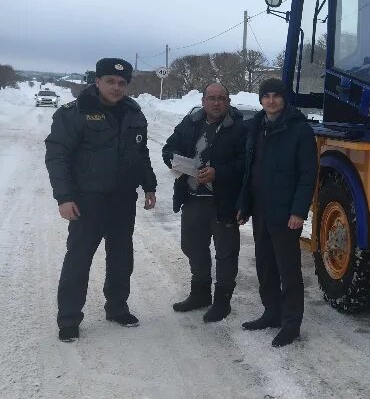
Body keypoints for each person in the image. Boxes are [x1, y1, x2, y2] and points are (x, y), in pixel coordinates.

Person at [45, 57, 157, 342]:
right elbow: (57, 156)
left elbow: (140, 153)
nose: (116, 87)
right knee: (79, 259)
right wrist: (64, 197)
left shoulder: (133, 113)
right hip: (87, 200)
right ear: (97, 81)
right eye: (110, 81)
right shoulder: (74, 113)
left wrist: (149, 185)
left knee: (121, 256)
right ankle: (69, 318)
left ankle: (117, 307)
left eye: (122, 83)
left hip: (122, 199)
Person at [237, 78, 317, 347]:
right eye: (266, 96)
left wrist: (299, 211)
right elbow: (250, 170)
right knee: (265, 264)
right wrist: (244, 206)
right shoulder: (256, 127)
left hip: (285, 213)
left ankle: (291, 323)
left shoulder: (299, 130)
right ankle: (271, 313)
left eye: (276, 96)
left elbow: (308, 175)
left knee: (288, 269)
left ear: (284, 99)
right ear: (261, 99)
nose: (271, 100)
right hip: (260, 209)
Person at [162, 83, 246, 322]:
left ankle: (222, 302)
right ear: (203, 101)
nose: (216, 103)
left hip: (223, 202)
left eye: (221, 98)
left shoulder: (239, 129)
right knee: (193, 248)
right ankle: (200, 294)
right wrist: (176, 162)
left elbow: (246, 164)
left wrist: (219, 173)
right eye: (212, 98)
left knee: (226, 254)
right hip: (192, 200)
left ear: (228, 101)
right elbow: (168, 148)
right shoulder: (190, 123)